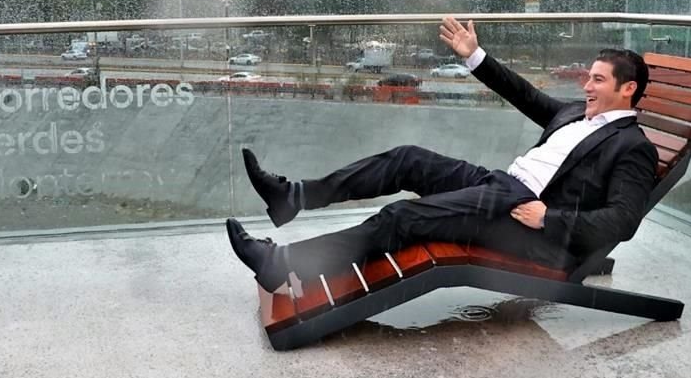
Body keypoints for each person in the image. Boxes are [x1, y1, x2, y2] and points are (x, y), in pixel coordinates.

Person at [226, 16, 658, 292]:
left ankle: (282, 264)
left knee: (403, 218)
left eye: (598, 80)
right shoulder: (574, 114)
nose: (586, 86)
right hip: (500, 186)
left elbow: (624, 221)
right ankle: (294, 197)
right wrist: (475, 57)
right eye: (589, 77)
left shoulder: (632, 146)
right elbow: (521, 92)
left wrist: (550, 218)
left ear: (628, 89)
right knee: (406, 158)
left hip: (526, 221)